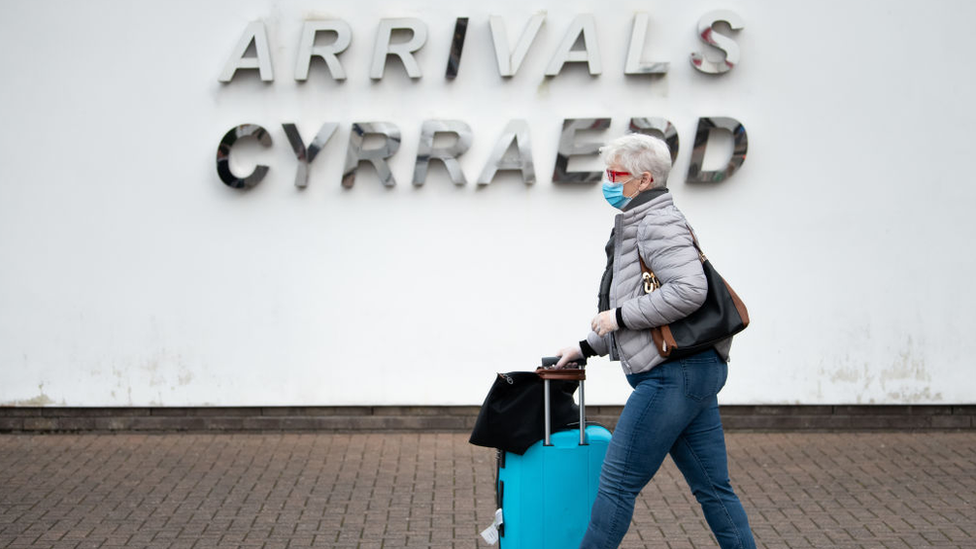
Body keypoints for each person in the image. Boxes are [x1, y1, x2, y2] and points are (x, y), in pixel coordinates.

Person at [554, 134, 756, 549]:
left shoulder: (656, 221)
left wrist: (619, 317)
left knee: (616, 485)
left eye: (615, 174)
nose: (607, 182)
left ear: (644, 180)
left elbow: (688, 290)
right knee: (714, 488)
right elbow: (640, 297)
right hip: (692, 371)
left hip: (673, 376)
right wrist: (587, 345)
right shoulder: (639, 220)